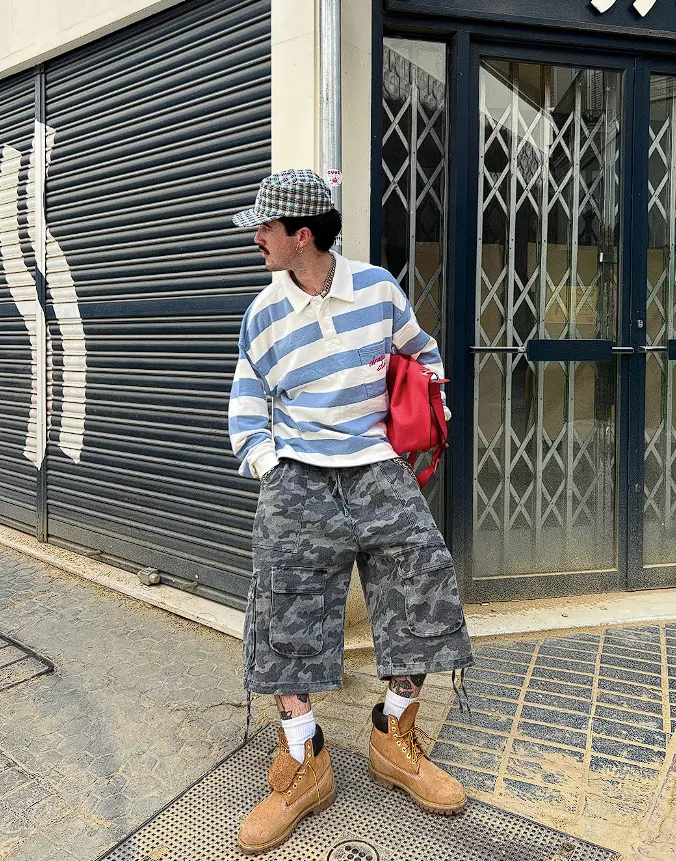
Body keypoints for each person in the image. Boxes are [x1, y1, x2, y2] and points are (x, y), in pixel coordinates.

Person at [228, 169, 473, 855]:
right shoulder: (263, 314)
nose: (257, 238)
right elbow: (247, 395)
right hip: (298, 474)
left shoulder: (377, 291)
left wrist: (434, 411)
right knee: (281, 606)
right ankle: (304, 760)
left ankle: (394, 737)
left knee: (425, 584)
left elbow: (420, 355)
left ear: (301, 235)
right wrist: (265, 460)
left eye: (266, 228)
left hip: (377, 469)